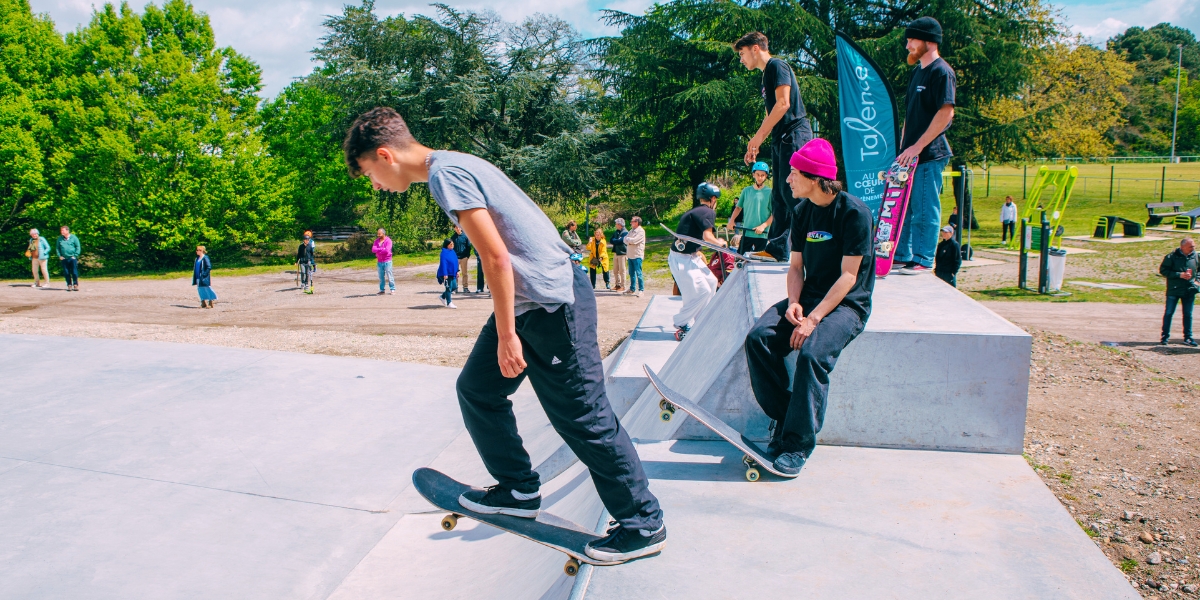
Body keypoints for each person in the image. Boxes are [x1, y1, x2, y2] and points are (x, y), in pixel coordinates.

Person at [342, 107, 665, 561]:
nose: (375, 185)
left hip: (554, 306)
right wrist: (507, 325)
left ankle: (643, 524)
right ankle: (518, 492)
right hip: (528, 301)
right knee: (478, 390)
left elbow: (494, 257)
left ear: (384, 155)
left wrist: (508, 333)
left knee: (584, 418)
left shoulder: (446, 175)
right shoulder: (454, 164)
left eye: (369, 174)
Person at [744, 138, 875, 476]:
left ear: (815, 178)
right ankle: (788, 417)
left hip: (847, 304)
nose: (787, 179)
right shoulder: (801, 212)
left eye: (793, 173)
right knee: (758, 338)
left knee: (813, 355)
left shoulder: (855, 213)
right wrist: (794, 304)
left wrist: (814, 318)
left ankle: (798, 444)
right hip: (810, 296)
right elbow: (795, 267)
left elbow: (848, 276)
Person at [735, 31, 813, 259]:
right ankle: (778, 248)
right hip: (781, 138)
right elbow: (770, 113)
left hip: (795, 135)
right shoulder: (766, 76)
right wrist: (756, 142)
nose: (741, 59)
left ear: (755, 48)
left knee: (794, 193)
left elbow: (783, 104)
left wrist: (759, 137)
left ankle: (814, 244)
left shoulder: (777, 66)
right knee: (779, 195)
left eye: (742, 53)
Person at [894, 16, 956, 276]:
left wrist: (917, 147)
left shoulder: (942, 71)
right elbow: (911, 115)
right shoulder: (918, 71)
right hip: (909, 154)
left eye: (912, 39)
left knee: (923, 206)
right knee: (905, 208)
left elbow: (946, 114)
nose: (908, 44)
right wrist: (902, 149)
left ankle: (922, 257)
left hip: (929, 154)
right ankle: (902, 254)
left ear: (929, 41)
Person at [669, 183, 725, 341]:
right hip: (682, 259)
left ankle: (702, 321)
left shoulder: (696, 210)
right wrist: (720, 242)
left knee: (712, 282)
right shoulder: (707, 212)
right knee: (702, 291)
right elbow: (708, 237)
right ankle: (681, 322)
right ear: (713, 199)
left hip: (691, 256)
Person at [1159, 237, 1198, 347]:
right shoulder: (1171, 257)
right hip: (1174, 289)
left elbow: (1199, 270)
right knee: (1169, 313)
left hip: (1189, 289)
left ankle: (1188, 337)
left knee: (1188, 314)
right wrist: (1179, 275)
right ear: (1183, 247)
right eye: (1191, 246)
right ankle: (1165, 337)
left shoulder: (1195, 256)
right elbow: (1163, 270)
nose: (1193, 248)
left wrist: (1197, 281)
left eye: (1193, 246)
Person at [728, 162, 773, 254]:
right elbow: (738, 208)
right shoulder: (746, 190)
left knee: (759, 262)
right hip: (747, 232)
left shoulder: (770, 192)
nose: (760, 177)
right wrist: (731, 221)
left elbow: (774, 214)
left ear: (766, 176)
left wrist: (763, 226)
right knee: (741, 258)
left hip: (762, 234)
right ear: (753, 174)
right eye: (758, 174)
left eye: (763, 175)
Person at [624, 216, 646, 297]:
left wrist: (629, 240)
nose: (631, 222)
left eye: (632, 221)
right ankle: (632, 289)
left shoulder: (641, 231)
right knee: (631, 273)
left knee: (638, 273)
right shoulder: (631, 231)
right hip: (630, 255)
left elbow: (635, 240)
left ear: (637, 222)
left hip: (637, 255)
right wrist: (629, 240)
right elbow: (624, 239)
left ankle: (641, 290)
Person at [57, 226, 81, 292]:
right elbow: (57, 248)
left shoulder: (74, 238)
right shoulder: (60, 239)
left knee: (74, 272)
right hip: (64, 258)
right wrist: (60, 256)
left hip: (72, 258)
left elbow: (78, 247)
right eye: (61, 230)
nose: (62, 232)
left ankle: (75, 284)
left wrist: (75, 255)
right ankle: (69, 285)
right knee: (66, 272)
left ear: (67, 231)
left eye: (63, 230)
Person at [437, 238, 460, 309]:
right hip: (446, 274)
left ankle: (442, 296)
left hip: (452, 273)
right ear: (447, 245)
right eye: (451, 244)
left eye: (453, 244)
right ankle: (449, 302)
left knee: (454, 287)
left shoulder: (452, 252)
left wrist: (457, 271)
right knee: (448, 288)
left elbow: (455, 262)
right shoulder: (444, 253)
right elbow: (443, 264)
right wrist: (445, 274)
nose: (452, 245)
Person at [372, 228, 395, 295]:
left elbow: (387, 250)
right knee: (381, 277)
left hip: (387, 261)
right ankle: (382, 290)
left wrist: (378, 250)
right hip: (379, 261)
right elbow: (373, 249)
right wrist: (382, 249)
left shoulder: (388, 241)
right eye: (378, 233)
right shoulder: (376, 241)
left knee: (389, 276)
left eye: (379, 234)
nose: (378, 235)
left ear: (383, 234)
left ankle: (392, 289)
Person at [451, 224, 472, 293]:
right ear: (454, 229)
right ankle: (455, 287)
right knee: (455, 273)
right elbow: (451, 248)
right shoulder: (453, 237)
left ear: (461, 228)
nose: (457, 229)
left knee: (464, 273)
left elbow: (468, 247)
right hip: (456, 258)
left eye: (458, 227)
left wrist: (467, 256)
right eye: (456, 228)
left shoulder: (465, 236)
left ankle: (465, 287)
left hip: (464, 257)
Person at [611, 218, 629, 292]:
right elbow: (611, 240)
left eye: (616, 224)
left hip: (622, 253)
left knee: (622, 270)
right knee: (615, 270)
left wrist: (616, 240)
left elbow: (621, 241)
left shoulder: (625, 232)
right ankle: (617, 284)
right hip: (616, 252)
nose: (615, 225)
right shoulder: (616, 232)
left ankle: (623, 286)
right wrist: (616, 240)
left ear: (620, 224)